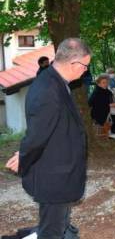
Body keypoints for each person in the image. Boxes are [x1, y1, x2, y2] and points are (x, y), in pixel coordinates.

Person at [5, 38, 91, 238]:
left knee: (60, 219)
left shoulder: (56, 81)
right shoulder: (47, 88)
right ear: (74, 64)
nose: (85, 70)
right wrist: (25, 157)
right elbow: (37, 135)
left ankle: (65, 231)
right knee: (51, 230)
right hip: (54, 173)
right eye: (85, 66)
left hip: (62, 169)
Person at [88, 74, 115, 140]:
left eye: (106, 82)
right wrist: (111, 105)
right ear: (98, 83)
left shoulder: (106, 91)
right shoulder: (97, 92)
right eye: (103, 83)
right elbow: (92, 103)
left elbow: (110, 100)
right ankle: (113, 133)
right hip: (98, 112)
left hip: (105, 110)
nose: (105, 84)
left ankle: (114, 131)